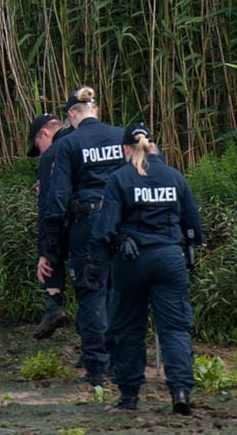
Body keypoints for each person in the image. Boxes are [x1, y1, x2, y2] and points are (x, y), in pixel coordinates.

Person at [91, 126, 202, 415]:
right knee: (175, 328)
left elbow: (104, 229)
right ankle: (180, 391)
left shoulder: (120, 178)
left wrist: (110, 247)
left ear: (126, 149)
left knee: (129, 328)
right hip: (170, 260)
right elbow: (193, 224)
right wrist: (187, 249)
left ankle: (129, 396)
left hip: (132, 262)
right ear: (153, 145)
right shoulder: (174, 177)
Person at [37, 85, 128, 388]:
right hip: (122, 223)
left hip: (87, 224)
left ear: (72, 115)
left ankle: (97, 368)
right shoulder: (122, 136)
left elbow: (58, 197)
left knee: (91, 294)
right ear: (96, 110)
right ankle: (120, 362)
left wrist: (50, 244)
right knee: (120, 292)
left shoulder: (68, 144)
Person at [28, 111, 69, 338]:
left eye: (38, 146)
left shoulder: (54, 153)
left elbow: (48, 208)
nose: (40, 153)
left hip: (74, 221)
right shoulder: (88, 140)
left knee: (51, 247)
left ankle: (53, 304)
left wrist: (44, 251)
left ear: (44, 133)